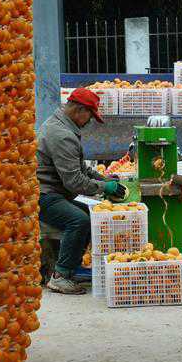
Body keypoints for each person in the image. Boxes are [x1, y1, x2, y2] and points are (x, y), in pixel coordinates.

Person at [37, 87, 125, 294]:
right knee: (79, 220)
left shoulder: (62, 126)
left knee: (87, 214)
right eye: (90, 116)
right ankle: (60, 277)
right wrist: (104, 187)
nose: (89, 122)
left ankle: (68, 269)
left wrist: (103, 179)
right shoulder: (61, 135)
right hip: (44, 195)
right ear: (79, 110)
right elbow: (74, 182)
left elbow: (81, 169)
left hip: (54, 192)